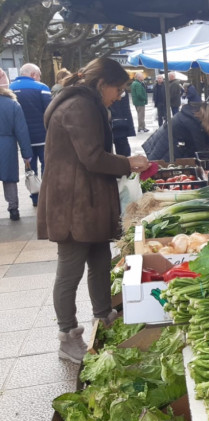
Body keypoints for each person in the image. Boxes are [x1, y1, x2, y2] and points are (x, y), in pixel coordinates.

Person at [38, 57, 149, 364]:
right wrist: (127, 163)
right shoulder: (80, 106)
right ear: (102, 84)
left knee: (100, 260)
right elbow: (92, 157)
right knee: (70, 269)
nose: (120, 95)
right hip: (72, 202)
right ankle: (67, 335)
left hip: (87, 199)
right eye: (119, 89)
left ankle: (104, 316)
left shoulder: (86, 103)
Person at [10, 63, 51, 207]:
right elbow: (50, 112)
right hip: (43, 136)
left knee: (30, 169)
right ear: (34, 74)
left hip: (23, 139)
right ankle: (47, 196)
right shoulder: (42, 88)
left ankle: (35, 197)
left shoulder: (10, 89)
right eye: (39, 75)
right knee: (47, 165)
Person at [0, 68, 33, 221]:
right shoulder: (12, 104)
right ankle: (13, 209)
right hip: (7, 145)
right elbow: (22, 131)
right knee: (9, 178)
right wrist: (27, 154)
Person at [142, 102, 209, 161]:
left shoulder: (195, 115)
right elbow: (202, 152)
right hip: (165, 151)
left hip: (162, 145)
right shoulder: (194, 124)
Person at [110, 89, 136, 156]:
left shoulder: (121, 90)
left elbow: (126, 109)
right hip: (118, 123)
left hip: (119, 124)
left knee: (122, 148)